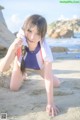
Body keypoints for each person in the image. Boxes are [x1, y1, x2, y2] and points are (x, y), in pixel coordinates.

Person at [0, 14, 60, 117]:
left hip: (39, 67)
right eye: (30, 31)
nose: (32, 37)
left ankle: (26, 73)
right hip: (20, 65)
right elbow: (2, 69)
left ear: (42, 35)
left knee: (57, 84)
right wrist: (12, 49)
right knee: (13, 88)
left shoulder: (45, 49)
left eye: (37, 33)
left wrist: (50, 103)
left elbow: (48, 78)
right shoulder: (19, 41)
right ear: (25, 30)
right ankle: (22, 72)